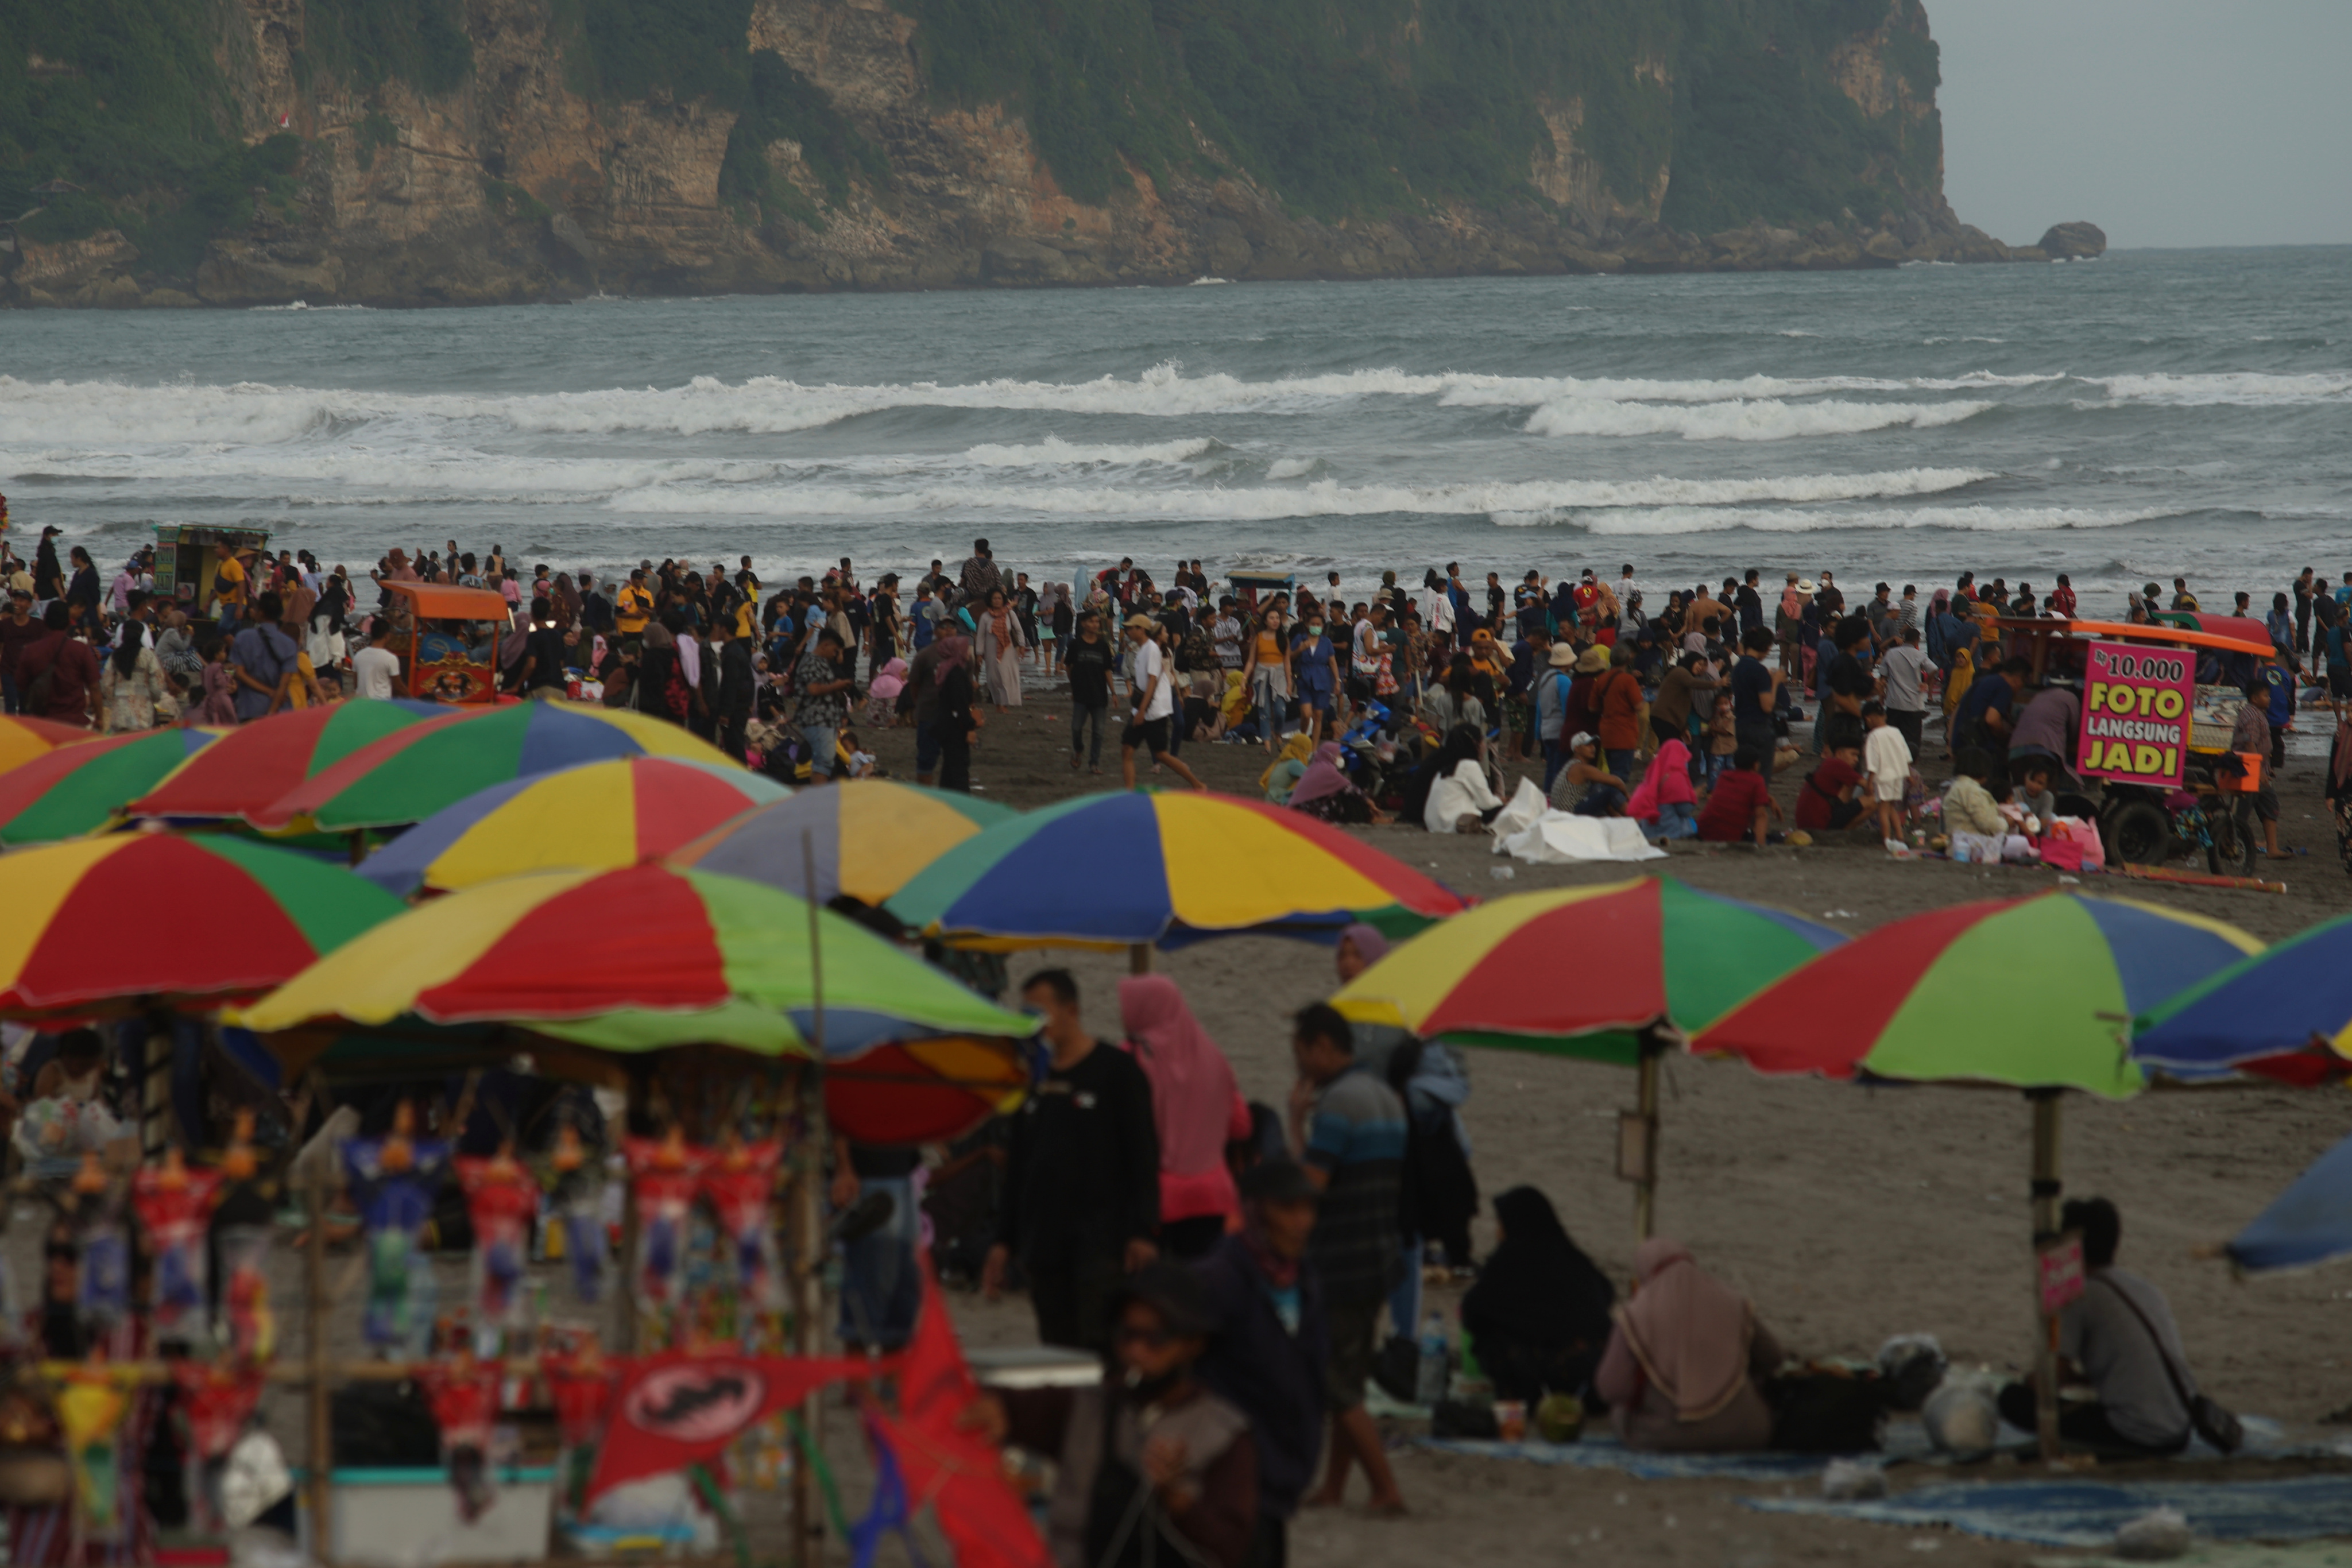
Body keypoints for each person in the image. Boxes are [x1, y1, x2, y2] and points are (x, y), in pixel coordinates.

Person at [976, 1261, 1259, 1568]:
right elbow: (1009, 1405)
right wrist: (996, 1408)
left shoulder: (1225, 1434)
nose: (1136, 1351)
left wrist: (1176, 1499)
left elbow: (1232, 1548)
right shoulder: (1083, 1406)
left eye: (1155, 1339)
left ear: (1193, 1344)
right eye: (1128, 1335)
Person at [985, 969, 1160, 1353]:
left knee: (1101, 1344)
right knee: (1057, 1348)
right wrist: (1004, 1240)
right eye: (1027, 1014)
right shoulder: (1032, 1079)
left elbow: (1144, 1156)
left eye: (1041, 1013)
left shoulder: (1116, 1071)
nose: (1034, 1024)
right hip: (1045, 1243)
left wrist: (1142, 1230)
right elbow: (1019, 1167)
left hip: (1102, 1241)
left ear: (1072, 1010)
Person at [1288, 1002, 1407, 1515]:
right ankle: (1335, 1486)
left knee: (1335, 1383)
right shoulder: (1385, 1096)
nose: (1298, 1066)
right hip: (1381, 1255)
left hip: (1342, 1260)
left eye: (1301, 1053)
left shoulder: (1337, 1104)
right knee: (1351, 1380)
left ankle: (1386, 1486)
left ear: (1322, 1046)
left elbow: (1308, 1189)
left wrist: (1297, 1124)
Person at [1194, 1160, 1328, 1568]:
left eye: (1308, 1208)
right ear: (1256, 1211)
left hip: (1282, 1477)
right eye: (1288, 1208)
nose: (1301, 1222)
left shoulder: (1304, 1282)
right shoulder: (1218, 1281)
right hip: (1229, 1481)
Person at [1997, 1198, 2205, 1457]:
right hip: (2179, 1428)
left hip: (2139, 1433)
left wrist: (2027, 1381)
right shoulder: (2145, 1289)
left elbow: (2050, 1381)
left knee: (2013, 1400)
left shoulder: (2077, 1295)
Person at [1595, 1238, 1786, 1453]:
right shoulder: (1732, 1300)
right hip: (1746, 1433)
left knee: (1619, 1415)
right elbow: (1773, 1356)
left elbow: (1611, 1388)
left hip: (1666, 1436)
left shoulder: (1635, 1315)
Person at [1120, 975, 1250, 1260]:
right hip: (1213, 1196)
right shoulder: (1213, 1056)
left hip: (1155, 1200)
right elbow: (1241, 1126)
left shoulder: (1131, 1058)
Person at [1461, 1187, 1616, 1406]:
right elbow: (1607, 1293)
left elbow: (1472, 1309)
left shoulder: (1509, 1260)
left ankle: (1521, 1396)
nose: (1498, 1232)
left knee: (1491, 1338)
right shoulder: (1569, 1255)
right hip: (1598, 1374)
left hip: (1553, 1374)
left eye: (1500, 1224)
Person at [1121, 613, 1206, 791]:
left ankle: (1197, 784)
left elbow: (1154, 680)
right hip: (1143, 708)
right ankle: (1129, 792)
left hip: (1152, 710)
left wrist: (1143, 710)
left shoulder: (1151, 649)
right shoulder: (1141, 648)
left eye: (1131, 628)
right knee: (1127, 750)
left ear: (1141, 630)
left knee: (1161, 755)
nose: (1127, 631)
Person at [15, 602, 99, 727]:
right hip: (74, 722)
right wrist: (100, 718)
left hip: (42, 723)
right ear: (68, 623)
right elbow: (94, 687)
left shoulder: (31, 651)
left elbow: (20, 685)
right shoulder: (80, 649)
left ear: (45, 622)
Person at [793, 626, 855, 781]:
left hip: (825, 719)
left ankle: (818, 797)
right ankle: (818, 800)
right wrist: (837, 685)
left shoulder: (821, 663)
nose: (836, 655)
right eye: (835, 651)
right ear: (826, 645)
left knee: (825, 761)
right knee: (824, 761)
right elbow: (813, 689)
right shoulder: (811, 662)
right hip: (816, 719)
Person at [1696, 745, 1780, 846]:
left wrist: (1770, 799)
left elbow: (1738, 793)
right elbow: (1761, 816)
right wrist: (1761, 846)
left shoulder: (1724, 776)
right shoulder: (1756, 781)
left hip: (1704, 830)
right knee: (1775, 838)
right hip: (1730, 836)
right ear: (1755, 765)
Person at [1065, 610, 1114, 774]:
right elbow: (1069, 666)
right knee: (1076, 728)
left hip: (1100, 694)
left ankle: (1094, 763)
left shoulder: (1103, 646)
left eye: (1097, 622)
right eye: (1091, 621)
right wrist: (1074, 686)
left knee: (1098, 732)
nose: (1095, 624)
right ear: (1083, 624)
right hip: (1081, 695)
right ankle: (1078, 750)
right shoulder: (1075, 645)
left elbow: (1107, 670)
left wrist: (1113, 692)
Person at [1729, 626, 1782, 780]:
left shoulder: (1738, 667)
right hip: (1759, 727)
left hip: (1740, 725)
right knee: (1761, 777)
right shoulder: (1759, 670)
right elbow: (1767, 706)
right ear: (1766, 647)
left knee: (1744, 775)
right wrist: (1776, 682)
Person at [98, 621, 169, 732]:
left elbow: (106, 685)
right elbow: (157, 688)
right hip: (143, 717)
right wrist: (153, 699)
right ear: (141, 635)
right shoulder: (148, 656)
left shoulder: (115, 656)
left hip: (119, 716)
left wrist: (115, 700)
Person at [1861, 702, 1915, 845]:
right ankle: (1900, 836)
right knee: (1892, 808)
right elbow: (1905, 754)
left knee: (1883, 810)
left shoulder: (1873, 736)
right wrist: (1909, 775)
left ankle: (1886, 839)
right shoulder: (1896, 732)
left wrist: (1870, 782)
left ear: (1868, 719)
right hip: (1899, 775)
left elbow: (1873, 761)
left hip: (1883, 777)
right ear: (1884, 716)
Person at [1627, 734, 1699, 840]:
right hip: (1670, 831)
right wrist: (1695, 794)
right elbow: (1684, 810)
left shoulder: (1654, 773)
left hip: (1648, 831)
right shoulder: (1676, 776)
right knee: (1691, 823)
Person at [934, 633, 980, 791]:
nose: (968, 653)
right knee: (959, 769)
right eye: (965, 650)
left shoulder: (947, 670)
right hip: (955, 729)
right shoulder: (956, 674)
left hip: (946, 727)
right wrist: (970, 727)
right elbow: (960, 705)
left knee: (949, 770)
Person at [1793, 738, 1867, 834]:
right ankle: (1843, 833)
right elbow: (1869, 787)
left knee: (1850, 785)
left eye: (1858, 756)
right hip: (1819, 824)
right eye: (1853, 755)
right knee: (1873, 800)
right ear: (1839, 754)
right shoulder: (1839, 765)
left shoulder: (1828, 763)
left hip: (1805, 823)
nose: (1856, 760)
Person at [1551, 731, 1628, 818]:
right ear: (1577, 749)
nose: (1593, 748)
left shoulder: (1571, 764)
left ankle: (1619, 819)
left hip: (1561, 813)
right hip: (1570, 814)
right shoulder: (1581, 768)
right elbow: (1617, 782)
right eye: (1588, 745)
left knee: (1599, 789)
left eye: (1593, 745)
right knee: (1610, 792)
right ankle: (1636, 818)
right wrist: (1628, 797)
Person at [1881, 625, 1930, 756]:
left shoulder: (1891, 653)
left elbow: (1883, 677)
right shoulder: (1919, 655)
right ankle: (1910, 759)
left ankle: (1892, 756)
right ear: (1917, 641)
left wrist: (1882, 695)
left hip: (1894, 701)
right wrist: (1926, 684)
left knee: (1892, 733)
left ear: (1904, 639)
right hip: (1913, 702)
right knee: (1912, 736)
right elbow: (1934, 669)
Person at [977, 586, 1026, 711]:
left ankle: (1007, 703)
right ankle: (998, 703)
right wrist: (979, 653)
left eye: (999, 598)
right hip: (991, 652)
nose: (997, 601)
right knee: (994, 678)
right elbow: (981, 636)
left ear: (1003, 600)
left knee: (1007, 677)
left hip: (1009, 651)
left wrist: (1022, 645)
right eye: (994, 598)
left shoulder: (1010, 614)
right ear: (990, 600)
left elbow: (1019, 631)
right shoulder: (985, 617)